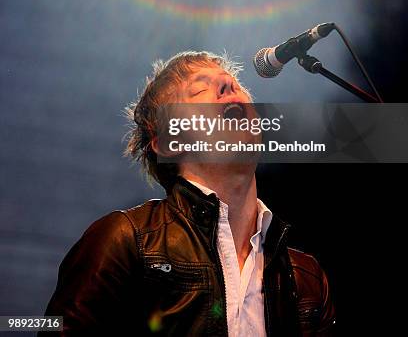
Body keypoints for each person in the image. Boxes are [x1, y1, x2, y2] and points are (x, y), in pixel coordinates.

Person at [40, 51, 336, 336]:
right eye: (199, 91)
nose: (228, 85)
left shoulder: (304, 276)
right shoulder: (124, 241)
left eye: (235, 85)